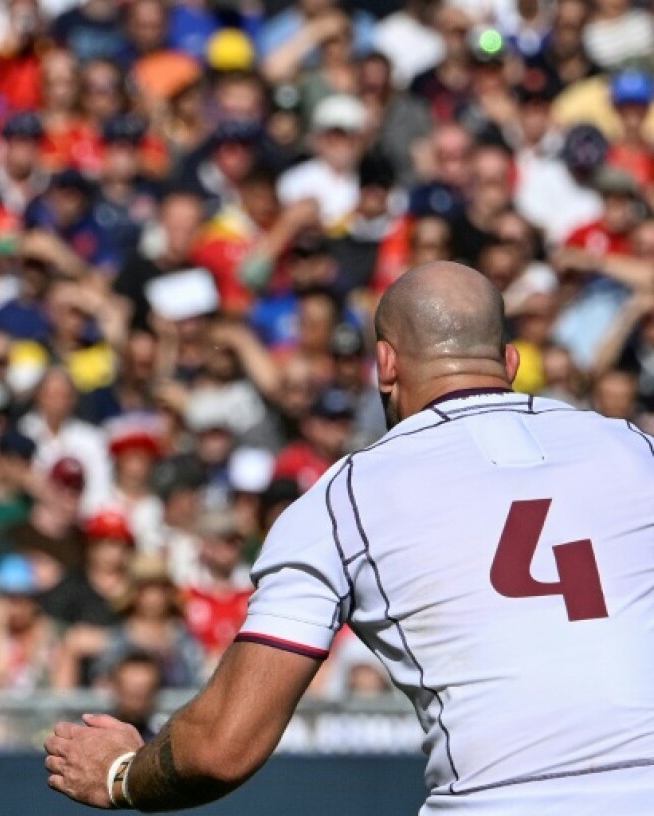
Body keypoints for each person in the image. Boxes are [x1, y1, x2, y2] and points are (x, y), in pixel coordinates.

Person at [44, 261, 654, 814]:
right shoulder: (633, 448)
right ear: (511, 361)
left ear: (385, 365)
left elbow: (222, 748)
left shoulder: (344, 498)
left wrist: (122, 773)